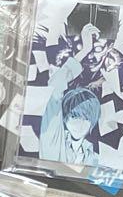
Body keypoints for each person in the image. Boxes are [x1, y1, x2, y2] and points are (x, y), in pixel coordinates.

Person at [39, 22, 101, 165]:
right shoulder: (53, 138)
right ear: (65, 118)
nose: (79, 124)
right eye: (74, 116)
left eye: (85, 118)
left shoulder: (92, 156)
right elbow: (55, 86)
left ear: (92, 122)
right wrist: (85, 50)